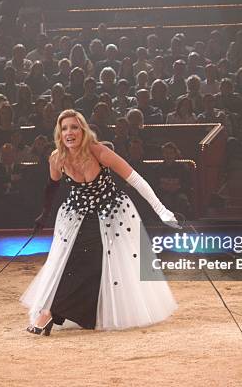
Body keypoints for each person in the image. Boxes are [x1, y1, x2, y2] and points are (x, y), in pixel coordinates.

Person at [21, 109, 178, 335]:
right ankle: (50, 312)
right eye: (64, 128)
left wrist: (162, 211)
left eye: (74, 127)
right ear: (59, 133)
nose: (69, 132)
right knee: (69, 263)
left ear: (83, 130)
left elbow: (135, 179)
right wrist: (43, 216)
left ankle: (51, 313)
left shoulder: (99, 152)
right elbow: (52, 187)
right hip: (76, 214)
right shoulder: (57, 158)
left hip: (110, 213)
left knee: (91, 264)